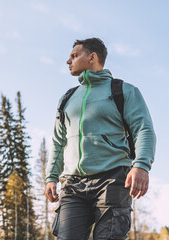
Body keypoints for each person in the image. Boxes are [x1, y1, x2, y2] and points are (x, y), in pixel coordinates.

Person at [44, 37, 156, 240]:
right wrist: (51, 177)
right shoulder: (67, 98)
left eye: (74, 56)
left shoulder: (124, 91)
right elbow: (59, 141)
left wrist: (141, 166)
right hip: (72, 185)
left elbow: (144, 129)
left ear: (92, 57)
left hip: (113, 180)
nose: (68, 61)